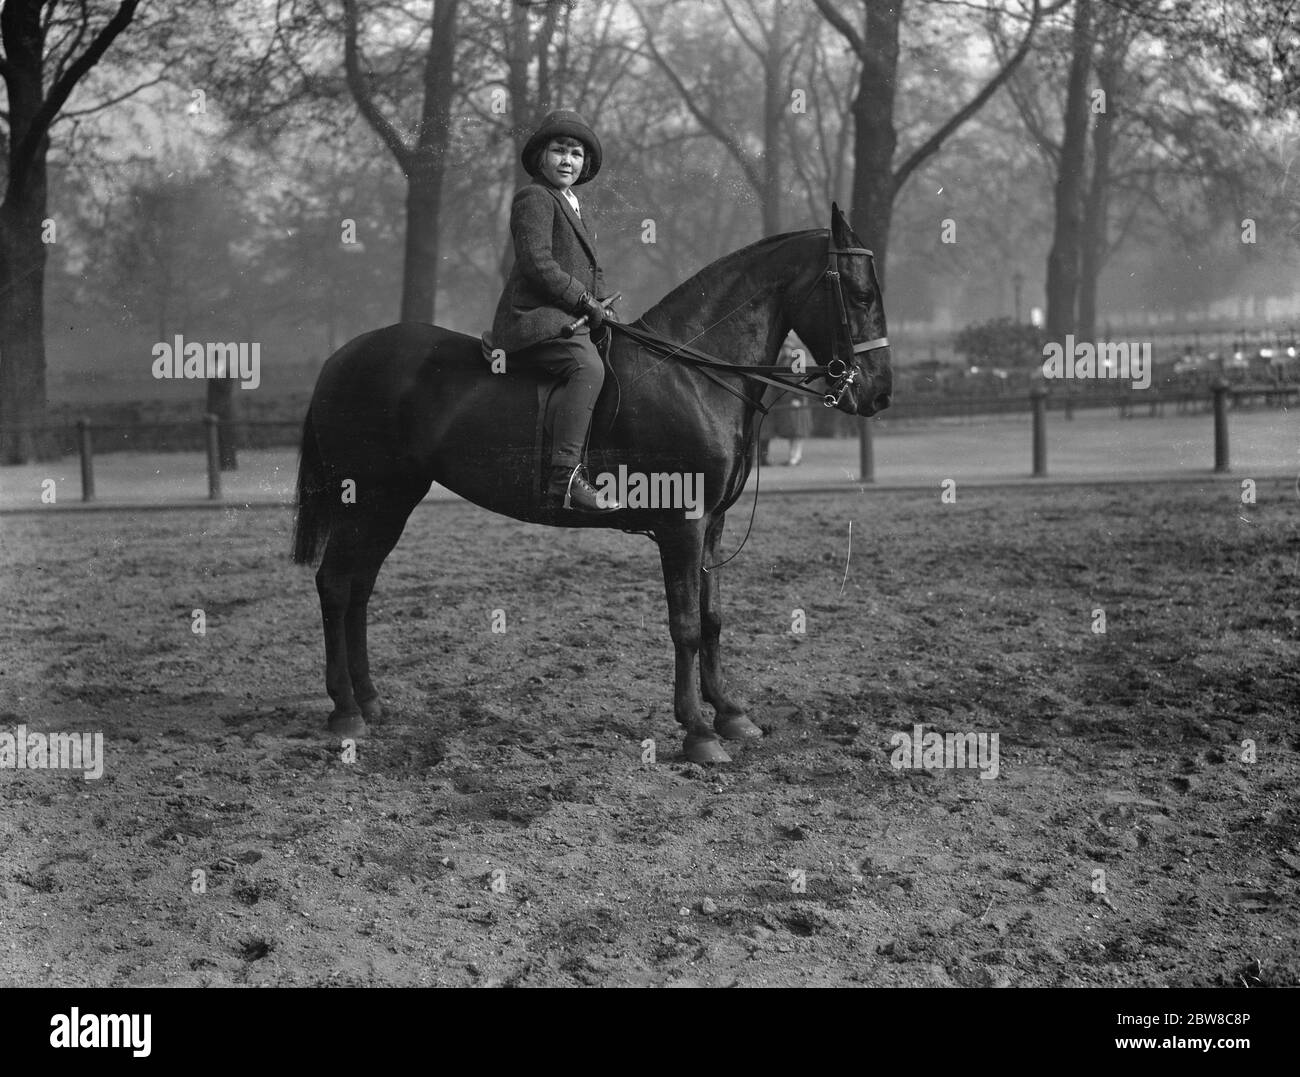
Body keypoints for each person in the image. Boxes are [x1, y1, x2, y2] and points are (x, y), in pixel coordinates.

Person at [490, 110, 620, 513]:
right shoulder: (534, 197)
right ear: (541, 157)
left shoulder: (573, 203)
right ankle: (565, 478)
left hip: (568, 315)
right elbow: (537, 263)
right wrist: (584, 301)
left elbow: (586, 269)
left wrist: (602, 303)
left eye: (576, 154)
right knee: (589, 368)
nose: (568, 160)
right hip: (535, 318)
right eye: (559, 151)